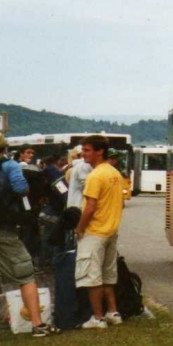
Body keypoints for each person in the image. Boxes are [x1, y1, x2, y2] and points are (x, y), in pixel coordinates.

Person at [0, 133, 59, 338]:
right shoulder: (9, 165)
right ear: (4, 148)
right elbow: (21, 189)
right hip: (2, 228)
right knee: (25, 274)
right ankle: (37, 324)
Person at [74, 135, 125, 329]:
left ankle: (97, 317)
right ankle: (113, 312)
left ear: (99, 151)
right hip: (111, 231)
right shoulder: (114, 173)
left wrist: (79, 228)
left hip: (94, 231)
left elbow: (90, 207)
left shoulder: (94, 176)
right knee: (108, 275)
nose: (83, 154)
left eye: (87, 150)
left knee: (92, 276)